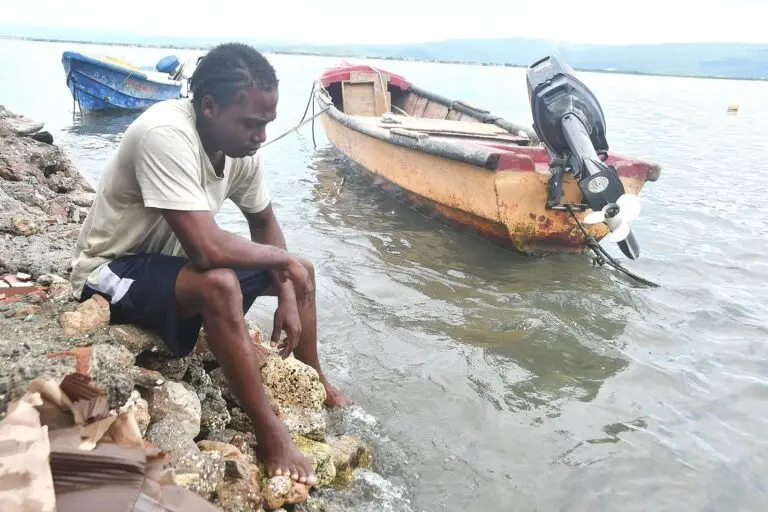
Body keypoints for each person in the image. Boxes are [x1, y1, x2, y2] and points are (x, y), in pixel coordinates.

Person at [69, 42, 352, 486]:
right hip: (110, 273)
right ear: (209, 107)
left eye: (266, 124)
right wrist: (284, 264)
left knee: (303, 270)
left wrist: (288, 291)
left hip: (171, 270)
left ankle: (314, 376)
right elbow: (205, 249)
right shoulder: (165, 134)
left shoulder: (239, 152)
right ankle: (269, 431)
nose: (261, 136)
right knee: (221, 283)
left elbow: (264, 223)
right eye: (252, 123)